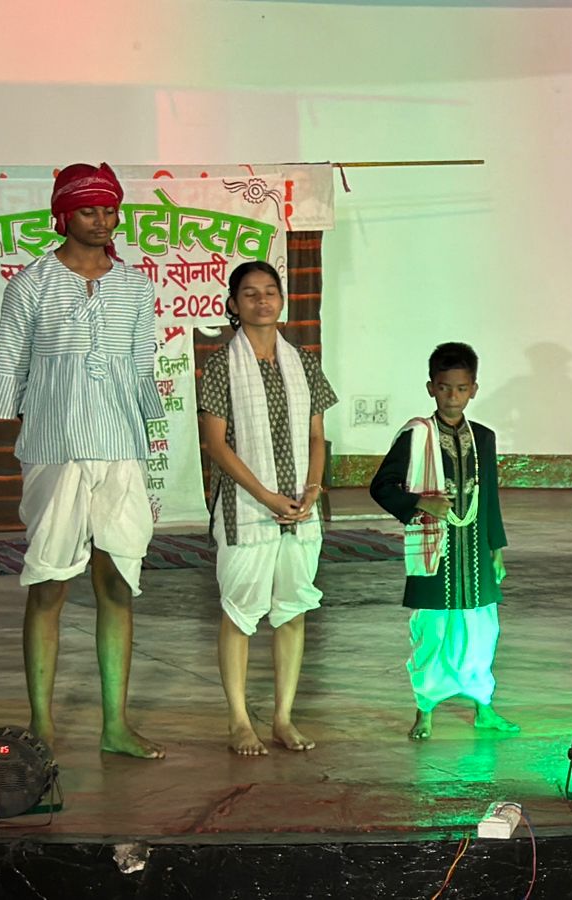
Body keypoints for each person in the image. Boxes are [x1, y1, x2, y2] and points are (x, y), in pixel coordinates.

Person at [0, 163, 165, 758]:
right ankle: (42, 725)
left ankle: (115, 726)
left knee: (118, 584)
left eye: (109, 210)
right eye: (89, 210)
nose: (102, 220)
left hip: (120, 449)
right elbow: (11, 364)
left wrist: (144, 425)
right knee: (48, 583)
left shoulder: (134, 286)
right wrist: (26, 415)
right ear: (62, 215)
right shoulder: (30, 284)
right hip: (54, 449)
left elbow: (141, 365)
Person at [199, 262, 336, 754]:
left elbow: (317, 436)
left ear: (282, 300)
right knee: (239, 613)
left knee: (293, 610)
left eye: (270, 292)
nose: (262, 301)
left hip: (300, 507)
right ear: (233, 304)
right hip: (246, 509)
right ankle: (239, 721)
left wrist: (313, 489)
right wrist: (266, 496)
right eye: (250, 294)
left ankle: (282, 717)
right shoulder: (221, 365)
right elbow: (216, 444)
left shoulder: (304, 363)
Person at [371, 342, 517, 740]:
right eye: (444, 387)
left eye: (462, 388)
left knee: (481, 631)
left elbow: (490, 497)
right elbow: (381, 486)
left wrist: (497, 550)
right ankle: (425, 709)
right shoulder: (417, 436)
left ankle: (484, 707)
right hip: (434, 554)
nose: (453, 396)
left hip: (476, 554)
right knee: (432, 633)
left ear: (474, 389)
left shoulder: (483, 438)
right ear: (431, 388)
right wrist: (421, 502)